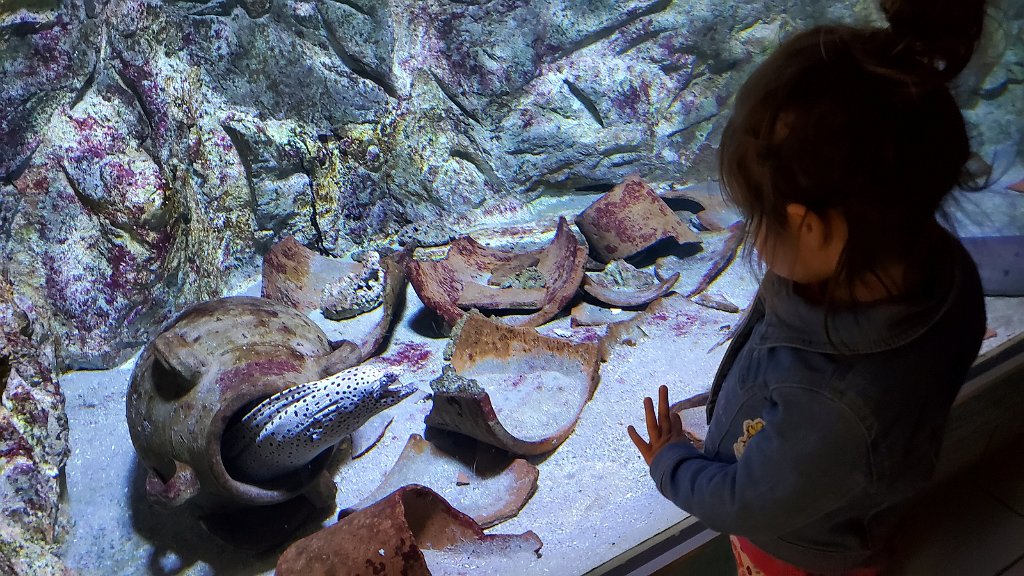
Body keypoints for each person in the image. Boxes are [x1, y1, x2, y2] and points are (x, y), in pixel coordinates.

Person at [627, 0, 989, 574]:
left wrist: (671, 463)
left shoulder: (835, 406)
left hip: (799, 554)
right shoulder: (943, 271)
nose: (752, 234)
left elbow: (748, 503)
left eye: (758, 216)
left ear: (811, 227)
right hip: (844, 497)